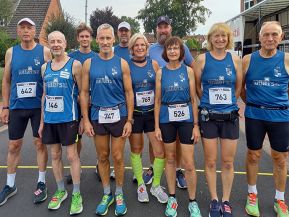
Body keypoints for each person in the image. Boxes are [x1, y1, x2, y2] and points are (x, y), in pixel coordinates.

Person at [81, 23, 134, 216]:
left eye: (108, 38)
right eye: (101, 38)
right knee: (102, 157)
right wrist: (86, 120)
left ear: (113, 39)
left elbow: (129, 93)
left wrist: (129, 120)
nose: (104, 42)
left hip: (118, 116)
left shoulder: (122, 63)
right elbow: (84, 93)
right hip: (98, 116)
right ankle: (107, 193)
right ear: (97, 40)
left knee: (118, 156)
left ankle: (119, 192)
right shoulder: (89, 64)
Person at [0, 17, 51, 206]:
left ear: (35, 31)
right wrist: (5, 107)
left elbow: (50, 77)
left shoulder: (45, 51)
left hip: (38, 108)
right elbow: (6, 80)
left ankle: (41, 182)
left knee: (40, 144)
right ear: (18, 32)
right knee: (13, 146)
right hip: (17, 107)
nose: (25, 31)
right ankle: (10, 185)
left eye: (29, 27)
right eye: (22, 28)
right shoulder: (11, 52)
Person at [193, 23, 242, 217]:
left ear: (228, 38)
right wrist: (207, 104)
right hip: (209, 117)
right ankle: (214, 198)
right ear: (210, 38)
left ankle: (226, 200)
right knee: (211, 161)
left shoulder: (235, 60)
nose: (220, 39)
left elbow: (238, 87)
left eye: (223, 36)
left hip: (230, 117)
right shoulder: (202, 59)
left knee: (228, 162)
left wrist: (230, 103)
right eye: (216, 36)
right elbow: (197, 87)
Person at [241, 21, 289, 217]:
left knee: (280, 158)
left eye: (274, 35)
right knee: (253, 155)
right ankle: (252, 195)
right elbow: (240, 89)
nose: (270, 38)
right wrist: (252, 103)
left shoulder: (286, 59)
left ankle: (280, 199)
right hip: (255, 115)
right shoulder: (247, 59)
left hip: (280, 116)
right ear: (259, 37)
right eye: (266, 35)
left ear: (281, 37)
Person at [155, 36, 201, 217]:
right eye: (169, 49)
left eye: (176, 48)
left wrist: (196, 125)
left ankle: (192, 201)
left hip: (186, 119)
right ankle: (172, 198)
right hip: (167, 119)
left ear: (181, 52)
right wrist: (157, 126)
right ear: (165, 52)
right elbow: (157, 101)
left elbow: (193, 99)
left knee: (189, 163)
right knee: (171, 159)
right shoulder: (160, 72)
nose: (173, 51)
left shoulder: (188, 71)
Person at [38, 31, 83, 215]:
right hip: (50, 120)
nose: (55, 44)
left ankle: (77, 194)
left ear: (65, 43)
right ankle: (61, 190)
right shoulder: (44, 68)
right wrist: (41, 122)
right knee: (55, 155)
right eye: (52, 42)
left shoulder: (75, 65)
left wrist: (83, 119)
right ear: (49, 44)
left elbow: (82, 95)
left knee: (72, 156)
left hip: (69, 119)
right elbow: (44, 96)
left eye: (59, 41)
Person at [148, 16, 194, 189]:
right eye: (160, 27)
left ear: (170, 28)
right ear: (156, 30)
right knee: (156, 140)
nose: (163, 30)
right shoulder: (150, 49)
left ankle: (179, 170)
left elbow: (193, 67)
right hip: (160, 102)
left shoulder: (183, 47)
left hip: (180, 103)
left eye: (165, 27)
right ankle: (154, 168)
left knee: (179, 139)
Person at [127, 33, 168, 204]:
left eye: (142, 45)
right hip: (135, 114)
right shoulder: (126, 66)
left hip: (152, 114)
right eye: (136, 45)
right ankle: (141, 185)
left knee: (159, 152)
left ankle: (156, 185)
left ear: (147, 47)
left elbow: (160, 89)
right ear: (132, 48)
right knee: (136, 150)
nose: (140, 48)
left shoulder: (155, 64)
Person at [66, 23, 97, 184]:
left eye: (87, 36)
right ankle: (76, 167)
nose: (84, 39)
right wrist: (80, 96)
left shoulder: (97, 56)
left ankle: (100, 165)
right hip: (76, 105)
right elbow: (69, 81)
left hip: (96, 103)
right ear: (78, 38)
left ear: (91, 38)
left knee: (99, 137)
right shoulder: (70, 57)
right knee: (77, 138)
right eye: (82, 36)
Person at [109, 21, 132, 180]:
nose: (124, 33)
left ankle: (145, 170)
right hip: (117, 102)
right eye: (121, 31)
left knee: (136, 141)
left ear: (130, 33)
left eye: (126, 31)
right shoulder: (112, 50)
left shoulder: (137, 49)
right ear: (117, 33)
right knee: (117, 142)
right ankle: (113, 166)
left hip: (137, 101)